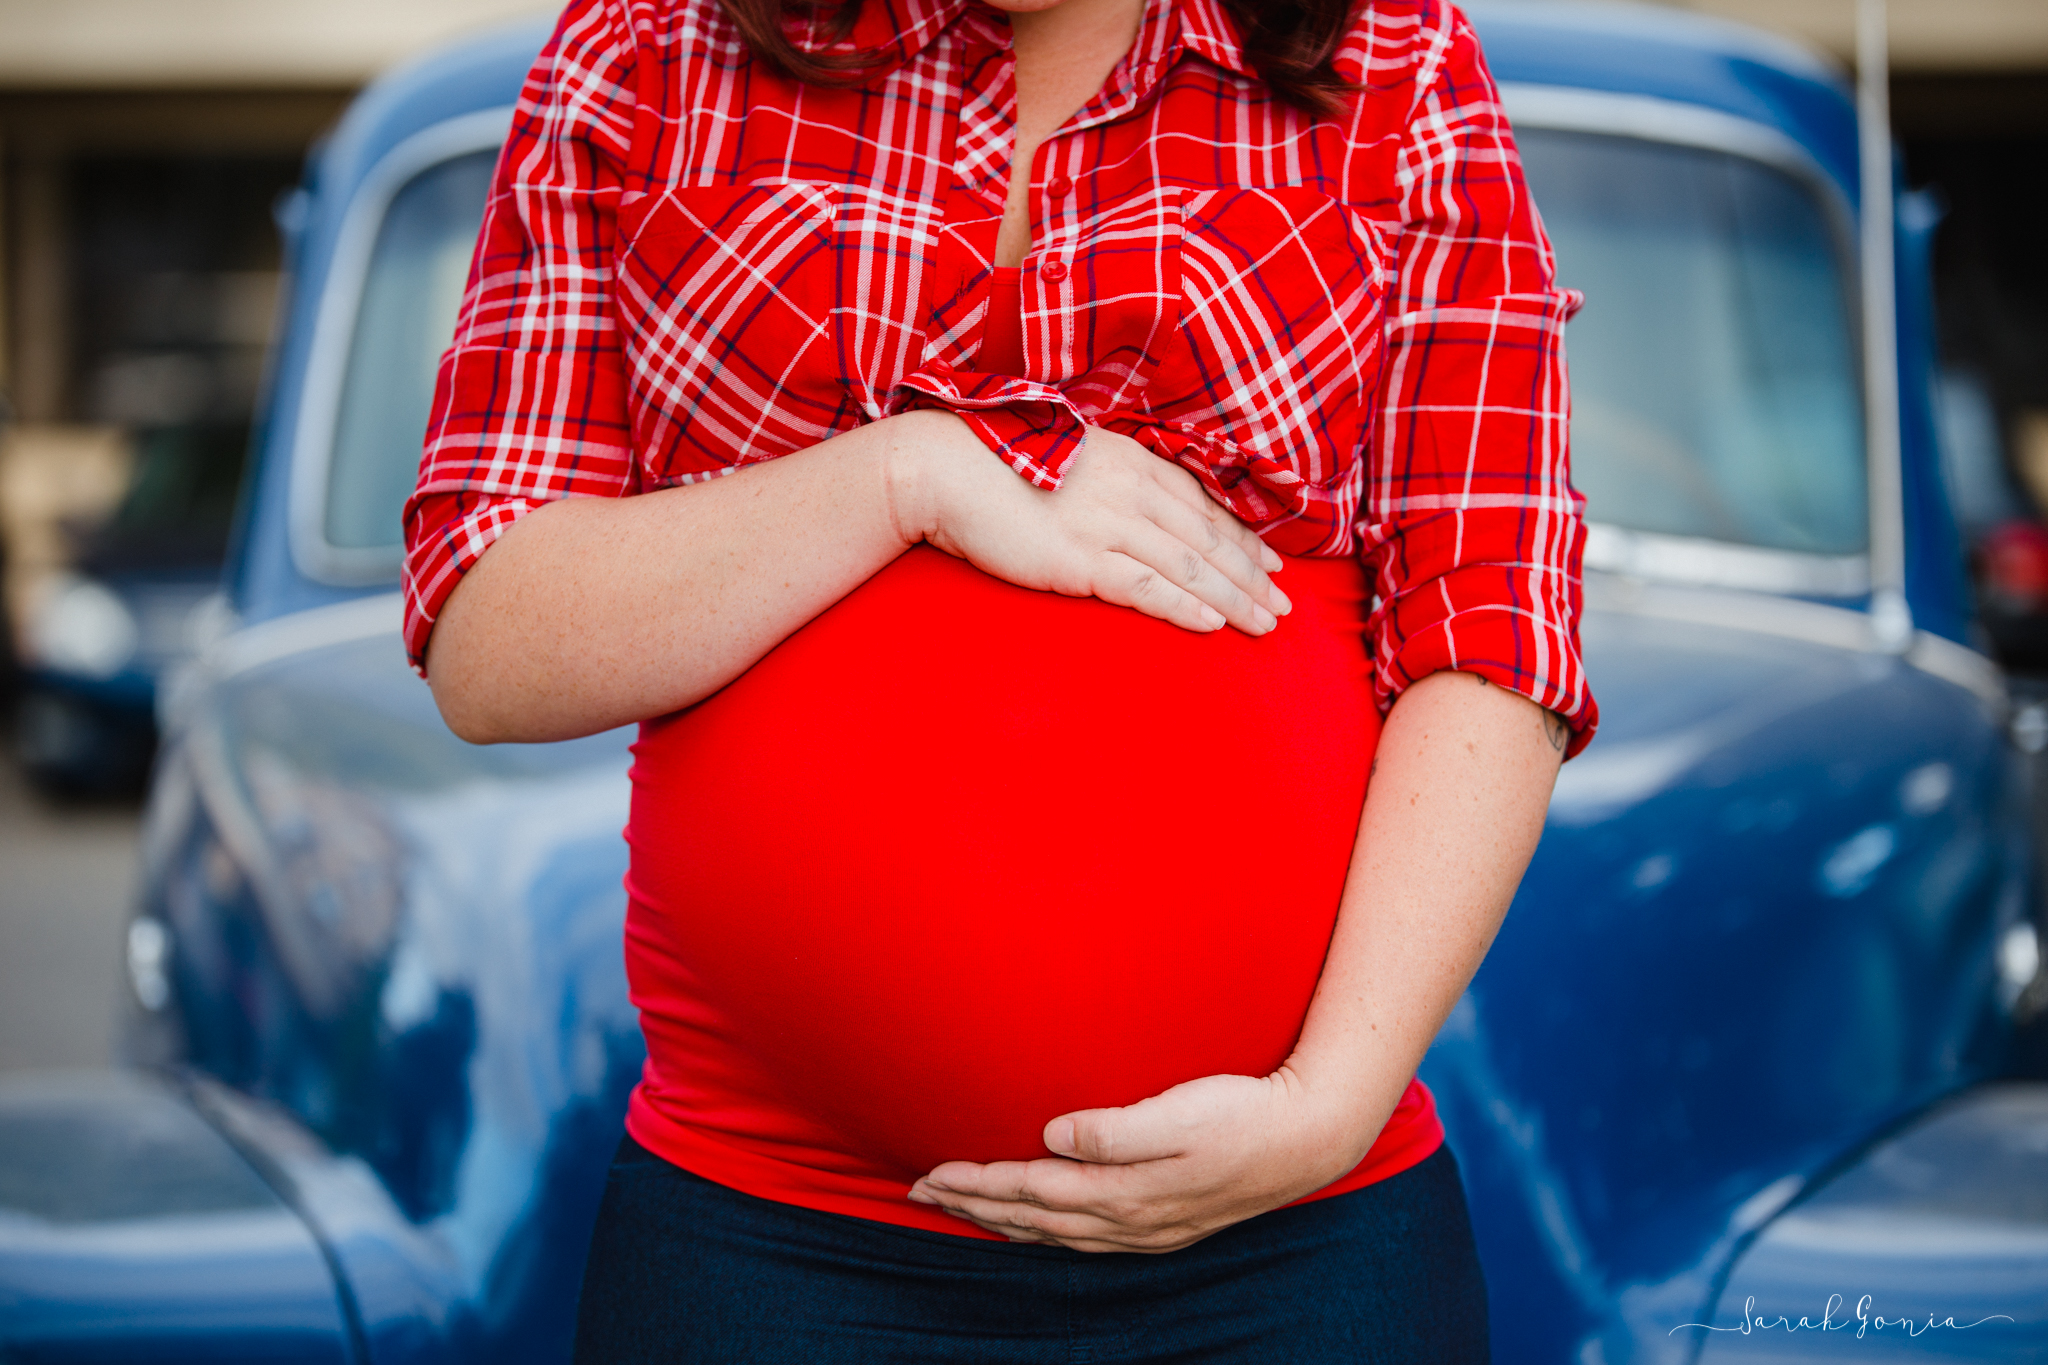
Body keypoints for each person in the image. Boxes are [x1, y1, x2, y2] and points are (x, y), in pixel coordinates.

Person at [402, 0, 1596, 1353]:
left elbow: (1495, 622)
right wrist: (903, 477)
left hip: (1294, 1241)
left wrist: (1328, 1102)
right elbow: (485, 639)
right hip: (766, 1230)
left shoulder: (1393, 57)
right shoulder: (644, 47)